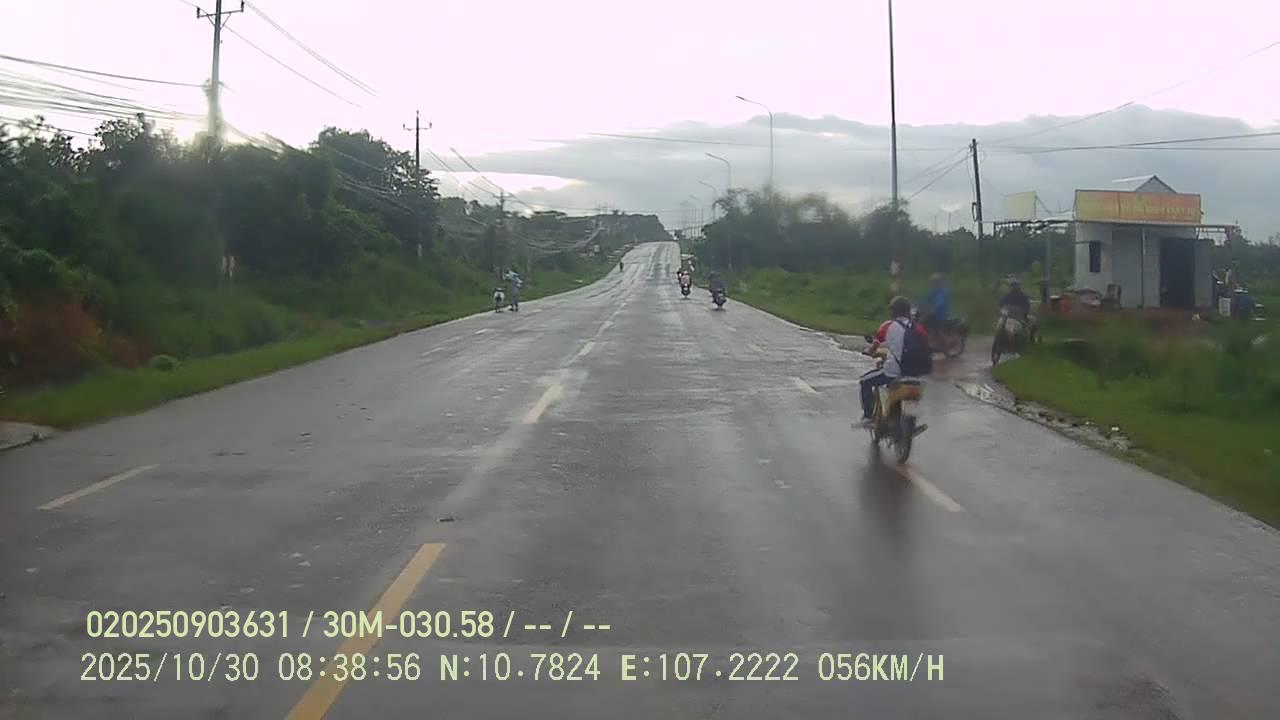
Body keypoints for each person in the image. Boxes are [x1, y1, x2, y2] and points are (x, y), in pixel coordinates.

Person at [858, 296, 926, 426]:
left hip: (894, 372)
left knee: (865, 381)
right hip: (915, 373)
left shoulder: (888, 325)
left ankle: (868, 417)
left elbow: (875, 346)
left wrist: (870, 351)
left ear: (893, 311)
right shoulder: (918, 328)